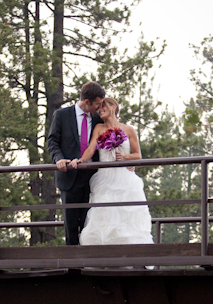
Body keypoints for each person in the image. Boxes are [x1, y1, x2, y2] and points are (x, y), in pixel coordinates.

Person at [70, 97, 153, 246]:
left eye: (104, 107)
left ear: (113, 107)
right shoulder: (99, 128)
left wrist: (126, 157)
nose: (100, 110)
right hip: (105, 177)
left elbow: (138, 156)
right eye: (99, 107)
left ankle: (131, 252)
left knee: (127, 215)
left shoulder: (128, 129)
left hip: (125, 178)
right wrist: (81, 160)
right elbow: (90, 149)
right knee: (105, 214)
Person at [47, 81, 105, 245]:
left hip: (92, 178)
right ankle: (73, 267)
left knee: (89, 225)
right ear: (87, 102)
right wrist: (59, 159)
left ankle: (87, 264)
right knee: (71, 226)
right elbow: (52, 142)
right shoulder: (61, 115)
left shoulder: (98, 119)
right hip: (69, 178)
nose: (99, 108)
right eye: (97, 104)